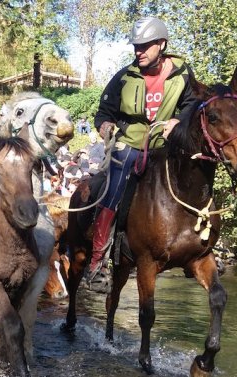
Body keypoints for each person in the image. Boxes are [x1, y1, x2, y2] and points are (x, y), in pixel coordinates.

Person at [83, 16, 196, 286]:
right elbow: (103, 113)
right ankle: (99, 256)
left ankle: (199, 246)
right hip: (131, 144)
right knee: (113, 188)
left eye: (145, 45)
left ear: (162, 44)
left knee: (196, 175)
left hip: (166, 146)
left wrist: (177, 121)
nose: (139, 51)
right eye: (136, 46)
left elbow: (193, 105)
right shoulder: (123, 76)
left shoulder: (183, 74)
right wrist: (106, 126)